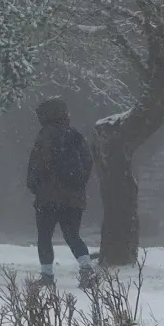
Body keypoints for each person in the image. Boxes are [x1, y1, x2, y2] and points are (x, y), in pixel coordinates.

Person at [25, 99, 96, 288]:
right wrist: (77, 185)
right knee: (73, 235)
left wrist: (35, 185)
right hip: (73, 198)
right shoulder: (75, 135)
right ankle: (87, 270)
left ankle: (47, 276)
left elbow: (37, 165)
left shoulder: (44, 135)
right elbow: (88, 162)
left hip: (47, 197)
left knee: (44, 237)